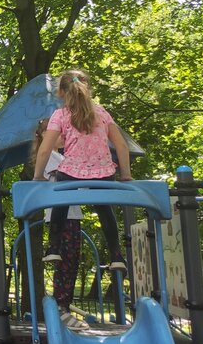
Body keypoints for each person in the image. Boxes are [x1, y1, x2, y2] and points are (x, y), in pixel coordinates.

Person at [33, 69, 132, 273]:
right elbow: (121, 146)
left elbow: (44, 150)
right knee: (105, 210)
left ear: (60, 92)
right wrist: (126, 175)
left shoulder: (60, 115)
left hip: (72, 170)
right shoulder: (102, 112)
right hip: (103, 171)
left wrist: (38, 176)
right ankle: (116, 255)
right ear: (88, 90)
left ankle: (53, 246)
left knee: (60, 199)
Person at [30, 119, 84, 326]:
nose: (62, 136)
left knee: (71, 260)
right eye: (57, 132)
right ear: (44, 134)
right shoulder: (48, 157)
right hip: (62, 215)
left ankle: (64, 306)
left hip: (72, 213)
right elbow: (71, 173)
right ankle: (61, 307)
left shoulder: (59, 156)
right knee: (66, 261)